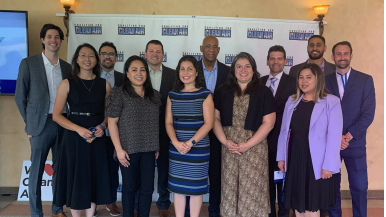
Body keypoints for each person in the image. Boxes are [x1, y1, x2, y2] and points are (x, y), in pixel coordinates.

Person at [15, 24, 71, 217]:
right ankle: (36, 213)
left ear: (61, 41)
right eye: (49, 36)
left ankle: (57, 210)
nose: (53, 40)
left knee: (59, 169)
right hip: (40, 125)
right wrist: (30, 123)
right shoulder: (28, 63)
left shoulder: (66, 67)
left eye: (57, 37)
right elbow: (19, 97)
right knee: (36, 171)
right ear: (42, 40)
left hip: (62, 124)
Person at [52, 43, 113, 217]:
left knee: (93, 178)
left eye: (91, 56)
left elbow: (111, 114)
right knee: (76, 179)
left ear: (97, 60)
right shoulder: (66, 83)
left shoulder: (104, 84)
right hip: (73, 138)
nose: (88, 59)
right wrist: (79, 130)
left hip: (96, 138)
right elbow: (57, 115)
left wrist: (103, 125)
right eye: (83, 55)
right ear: (77, 59)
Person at [213, 52, 276, 217]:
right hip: (229, 147)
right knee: (230, 187)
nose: (243, 69)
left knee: (252, 190)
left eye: (247, 66)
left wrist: (248, 144)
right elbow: (215, 119)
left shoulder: (264, 91)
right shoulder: (222, 91)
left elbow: (269, 123)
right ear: (233, 69)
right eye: (239, 66)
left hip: (254, 149)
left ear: (254, 70)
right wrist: (225, 141)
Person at [277, 63, 343, 217]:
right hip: (295, 157)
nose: (304, 81)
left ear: (318, 79)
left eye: (308, 77)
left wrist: (329, 165)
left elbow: (334, 136)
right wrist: (281, 157)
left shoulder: (331, 102)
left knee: (312, 205)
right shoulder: (292, 101)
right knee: (298, 204)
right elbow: (284, 132)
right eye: (301, 77)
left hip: (317, 161)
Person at [326, 41, 376, 217]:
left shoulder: (365, 80)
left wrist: (347, 136)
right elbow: (321, 114)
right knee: (332, 189)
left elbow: (368, 113)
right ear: (332, 57)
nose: (342, 57)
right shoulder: (324, 81)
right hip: (331, 145)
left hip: (354, 143)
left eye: (345, 53)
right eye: (338, 54)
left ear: (351, 55)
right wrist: (335, 137)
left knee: (360, 187)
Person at [107, 55, 161, 217]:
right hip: (127, 150)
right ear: (127, 74)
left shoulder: (155, 95)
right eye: (134, 70)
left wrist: (156, 146)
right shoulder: (119, 93)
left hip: (149, 149)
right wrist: (118, 149)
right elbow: (111, 123)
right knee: (129, 187)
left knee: (147, 189)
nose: (139, 73)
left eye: (142, 70)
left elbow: (155, 123)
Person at [185, 35, 230, 217]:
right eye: (208, 46)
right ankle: (188, 212)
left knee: (217, 173)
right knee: (192, 173)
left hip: (219, 128)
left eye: (215, 47)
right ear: (201, 48)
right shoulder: (191, 70)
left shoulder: (228, 71)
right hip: (195, 130)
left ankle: (214, 211)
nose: (211, 49)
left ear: (219, 50)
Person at [165, 55, 214, 217]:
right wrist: (176, 143)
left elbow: (209, 123)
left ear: (197, 72)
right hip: (177, 149)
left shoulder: (205, 94)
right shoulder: (172, 95)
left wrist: (190, 142)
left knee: (195, 189)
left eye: (189, 69)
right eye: (182, 69)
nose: (185, 72)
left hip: (198, 148)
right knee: (178, 189)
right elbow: (168, 123)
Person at [133, 40, 175, 217]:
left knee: (164, 167)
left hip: (166, 127)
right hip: (142, 128)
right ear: (145, 54)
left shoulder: (173, 75)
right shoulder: (138, 74)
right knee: (141, 168)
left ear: (163, 55)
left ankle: (163, 203)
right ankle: (137, 204)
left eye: (158, 51)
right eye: (151, 51)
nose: (155, 54)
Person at [260, 45, 296, 217]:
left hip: (284, 143)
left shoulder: (294, 83)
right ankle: (269, 213)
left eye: (279, 58)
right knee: (266, 183)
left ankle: (283, 213)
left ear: (285, 61)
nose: (275, 62)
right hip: (262, 143)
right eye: (272, 58)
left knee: (283, 182)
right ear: (267, 61)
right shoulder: (259, 82)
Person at [97, 41, 123, 217]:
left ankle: (111, 202)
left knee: (114, 169)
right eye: (104, 53)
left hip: (119, 132)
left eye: (111, 54)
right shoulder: (89, 76)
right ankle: (92, 203)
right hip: (95, 131)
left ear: (116, 58)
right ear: (99, 56)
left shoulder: (124, 78)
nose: (107, 56)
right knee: (94, 167)